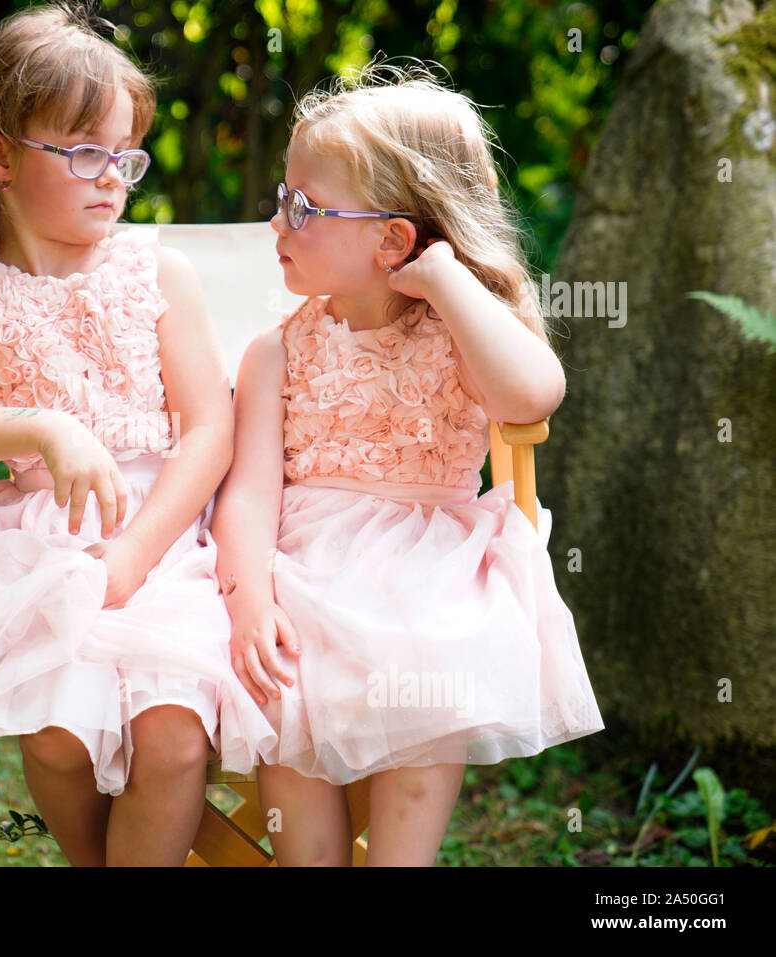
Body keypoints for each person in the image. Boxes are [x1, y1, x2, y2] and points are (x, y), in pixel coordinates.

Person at [0, 2, 270, 867]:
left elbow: (211, 428)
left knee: (170, 737)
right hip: (37, 555)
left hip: (163, 538)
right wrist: (45, 427)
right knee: (60, 736)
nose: (112, 179)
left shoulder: (156, 271)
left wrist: (134, 554)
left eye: (124, 156)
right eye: (85, 152)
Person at [211, 62, 604, 866]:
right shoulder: (275, 351)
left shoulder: (463, 333)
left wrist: (453, 286)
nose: (276, 224)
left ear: (393, 239)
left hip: (430, 573)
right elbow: (248, 497)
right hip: (302, 570)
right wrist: (249, 600)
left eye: (301, 208)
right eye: (282, 201)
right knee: (282, 687)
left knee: (433, 658)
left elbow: (533, 396)